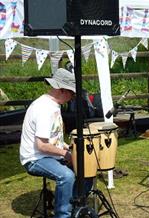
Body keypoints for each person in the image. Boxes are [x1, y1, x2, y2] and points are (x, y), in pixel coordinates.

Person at [20, 68, 91, 217]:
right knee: (66, 176)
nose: (72, 97)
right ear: (62, 90)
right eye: (71, 93)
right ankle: (63, 214)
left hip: (48, 155)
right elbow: (42, 145)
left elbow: (54, 139)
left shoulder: (54, 105)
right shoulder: (43, 108)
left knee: (87, 169)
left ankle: (73, 206)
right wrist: (66, 154)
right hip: (35, 158)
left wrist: (68, 148)